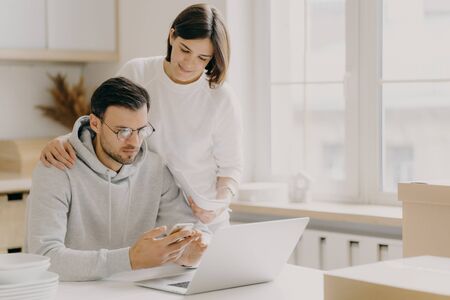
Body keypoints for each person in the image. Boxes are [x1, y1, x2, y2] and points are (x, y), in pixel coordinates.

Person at [39, 3, 243, 231]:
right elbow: (105, 122)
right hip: (144, 215)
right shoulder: (138, 73)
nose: (189, 63)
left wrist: (219, 204)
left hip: (202, 221)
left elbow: (231, 168)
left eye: (202, 58)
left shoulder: (220, 97)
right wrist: (65, 141)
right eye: (185, 50)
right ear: (172, 35)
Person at [26, 77, 210, 282]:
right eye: (122, 131)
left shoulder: (155, 168)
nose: (134, 142)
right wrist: (129, 260)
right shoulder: (57, 167)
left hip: (134, 291)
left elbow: (191, 228)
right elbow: (45, 257)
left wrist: (189, 255)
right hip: (72, 292)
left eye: (141, 130)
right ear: (95, 123)